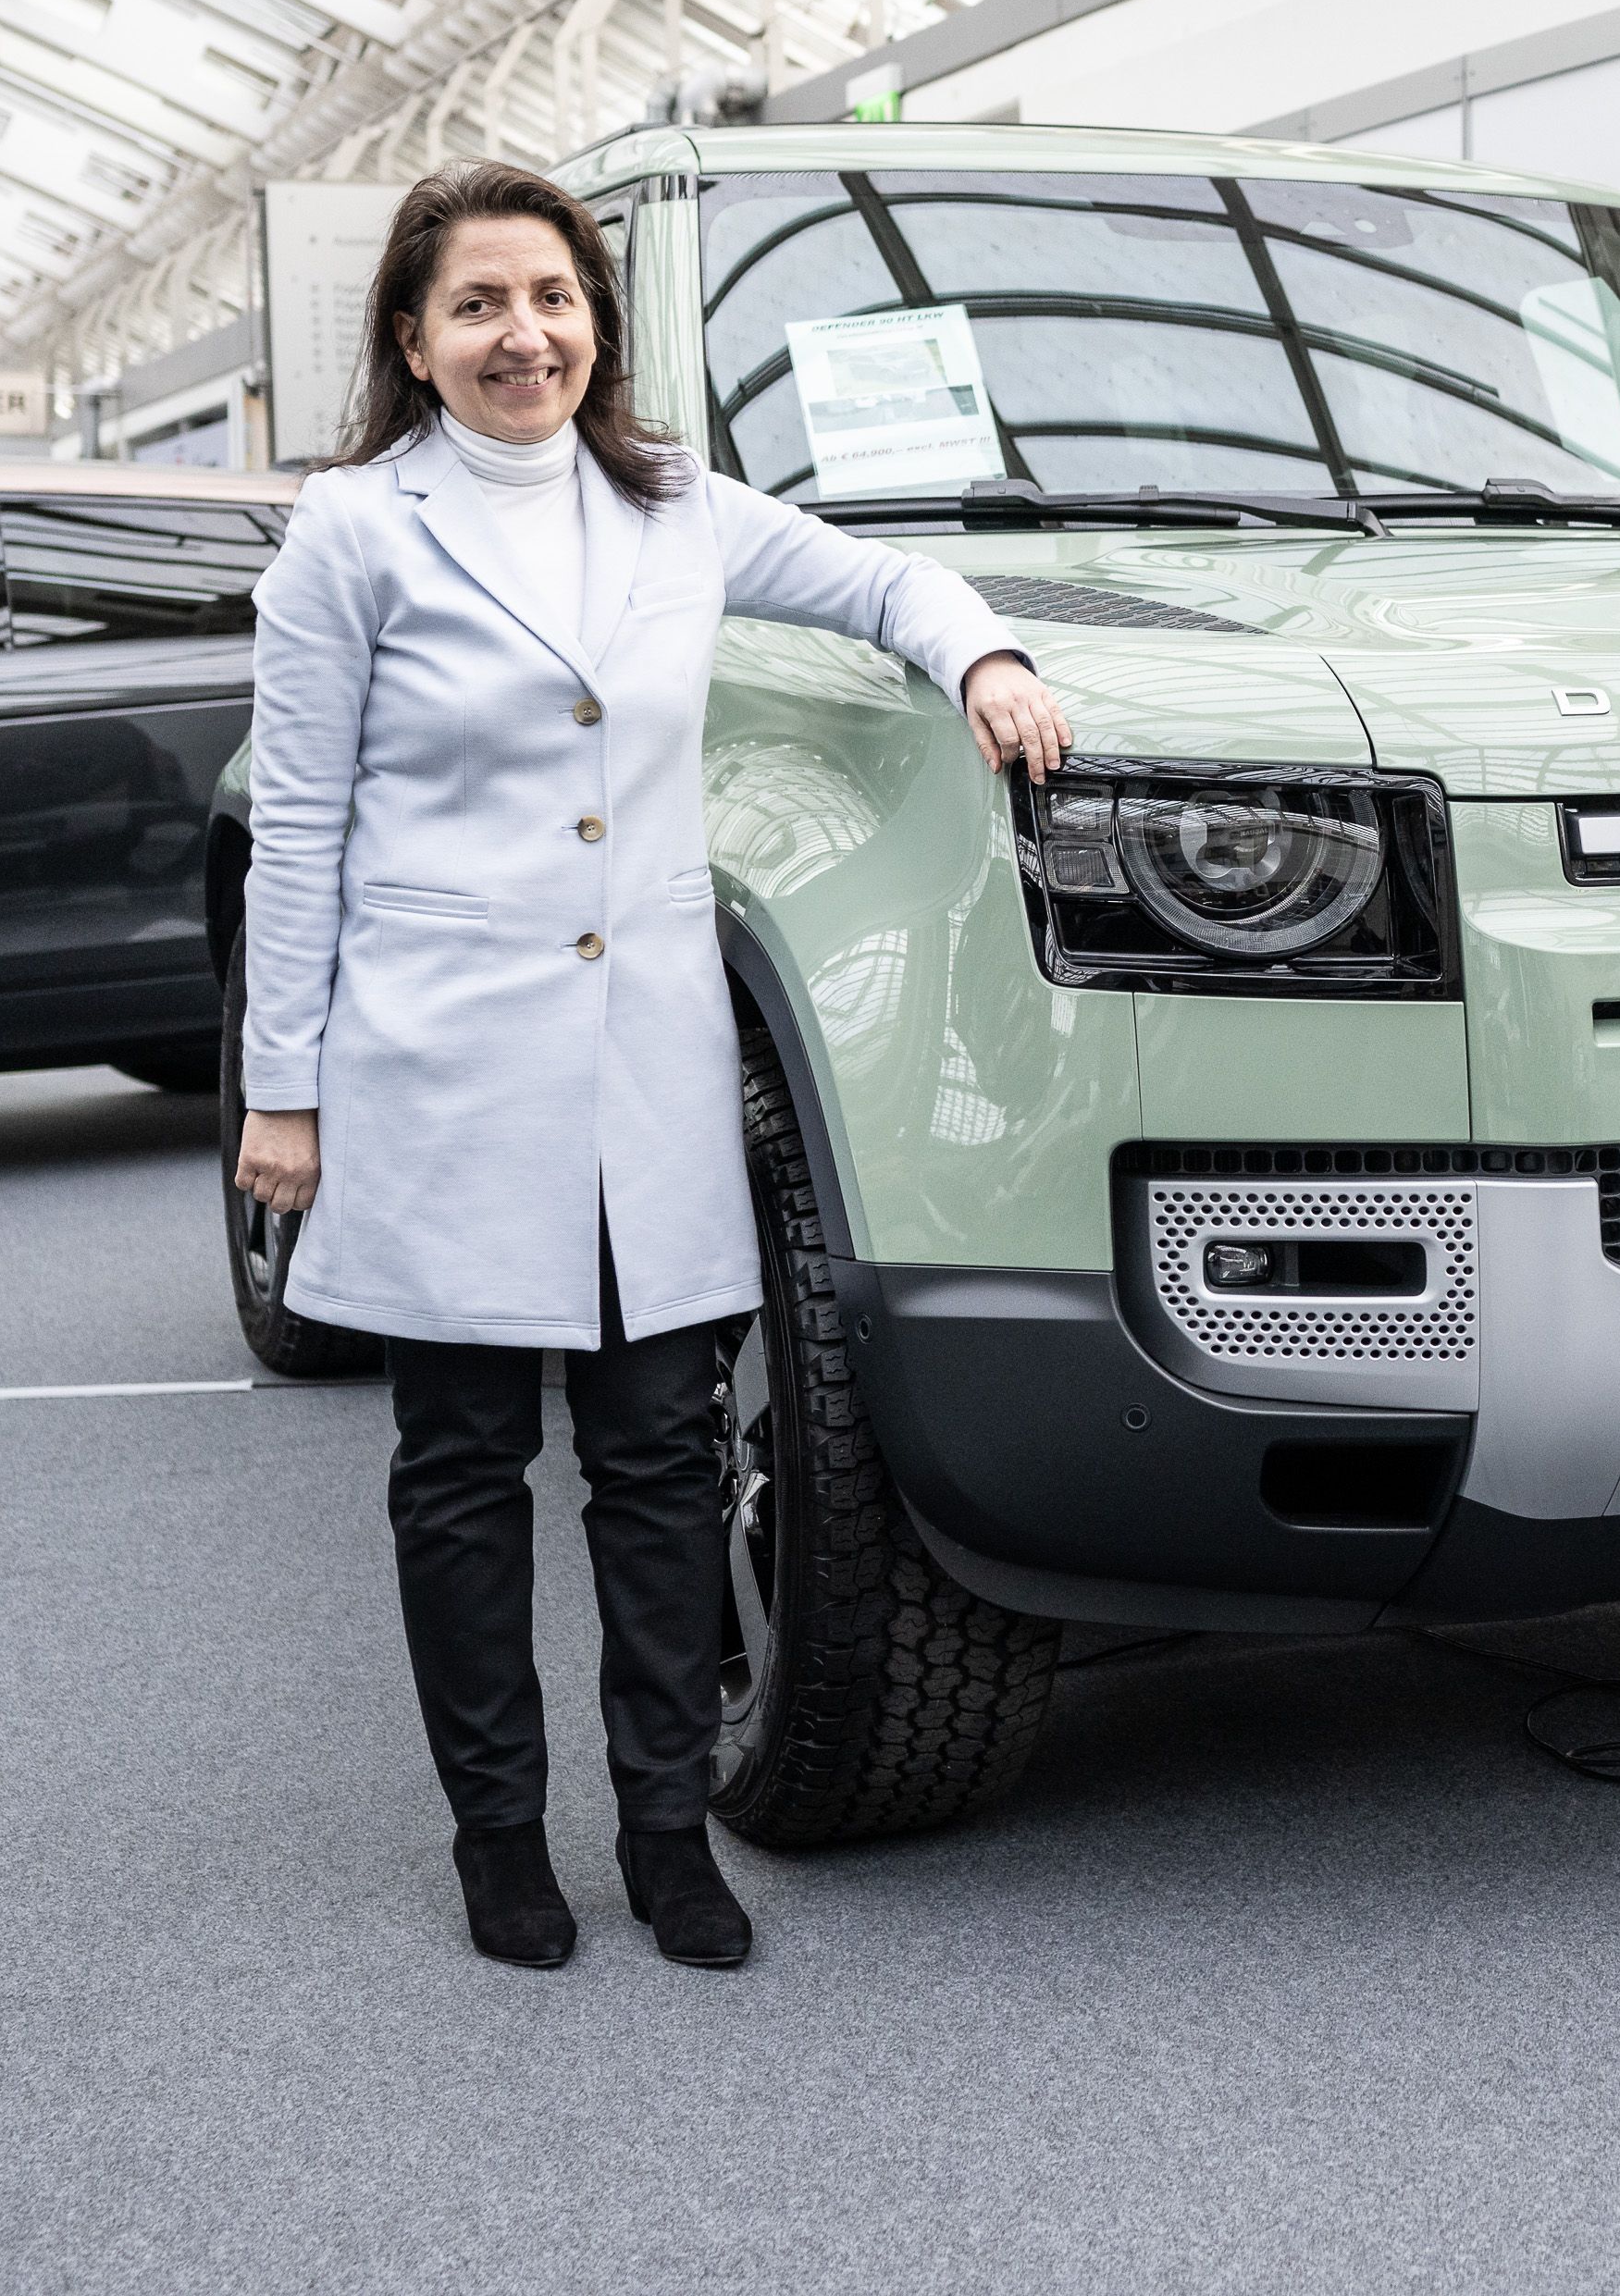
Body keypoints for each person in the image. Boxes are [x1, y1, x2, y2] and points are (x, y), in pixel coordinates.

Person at [230, 163, 1072, 1969]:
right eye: (477, 304)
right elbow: (296, 826)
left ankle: (669, 1833)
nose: (521, 333)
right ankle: (499, 1843)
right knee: (459, 1466)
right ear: (412, 338)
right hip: (443, 1063)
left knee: (662, 1457)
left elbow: (884, 582)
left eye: (552, 297)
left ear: (595, 322)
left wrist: (984, 655)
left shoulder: (677, 505)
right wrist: (282, 1092)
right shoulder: (354, 536)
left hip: (645, 1070)